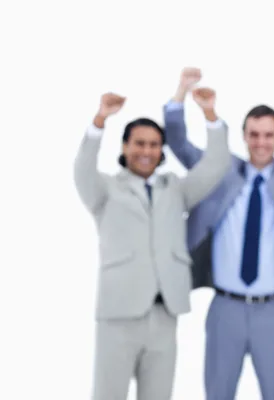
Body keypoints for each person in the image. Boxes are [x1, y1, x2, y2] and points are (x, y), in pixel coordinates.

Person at [163, 58, 274, 400]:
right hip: (224, 309)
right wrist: (182, 92)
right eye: (254, 135)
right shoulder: (221, 171)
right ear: (244, 136)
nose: (261, 143)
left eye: (268, 135)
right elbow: (179, 144)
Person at [74, 88, 231, 400]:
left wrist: (210, 115)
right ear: (125, 146)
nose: (146, 151)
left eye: (154, 145)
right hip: (118, 315)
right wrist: (100, 120)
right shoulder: (105, 190)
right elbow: (82, 170)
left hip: (164, 314)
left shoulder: (175, 189)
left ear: (162, 151)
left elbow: (215, 165)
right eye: (139, 144)